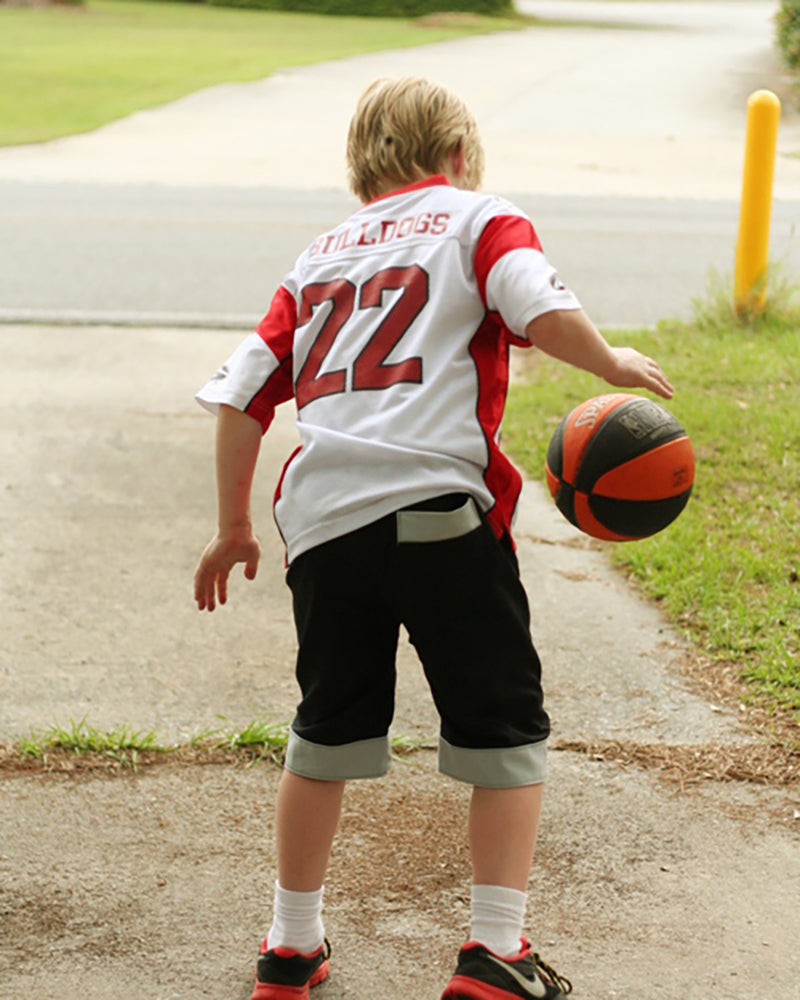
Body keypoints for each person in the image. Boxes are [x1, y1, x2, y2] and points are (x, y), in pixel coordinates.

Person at [193, 77, 673, 1000]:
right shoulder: (477, 216)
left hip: (326, 528)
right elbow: (534, 304)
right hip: (440, 517)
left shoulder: (317, 256)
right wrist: (609, 361)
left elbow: (242, 396)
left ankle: (290, 948)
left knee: (323, 737)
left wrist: (232, 526)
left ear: (362, 162)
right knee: (505, 736)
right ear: (458, 153)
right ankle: (495, 949)